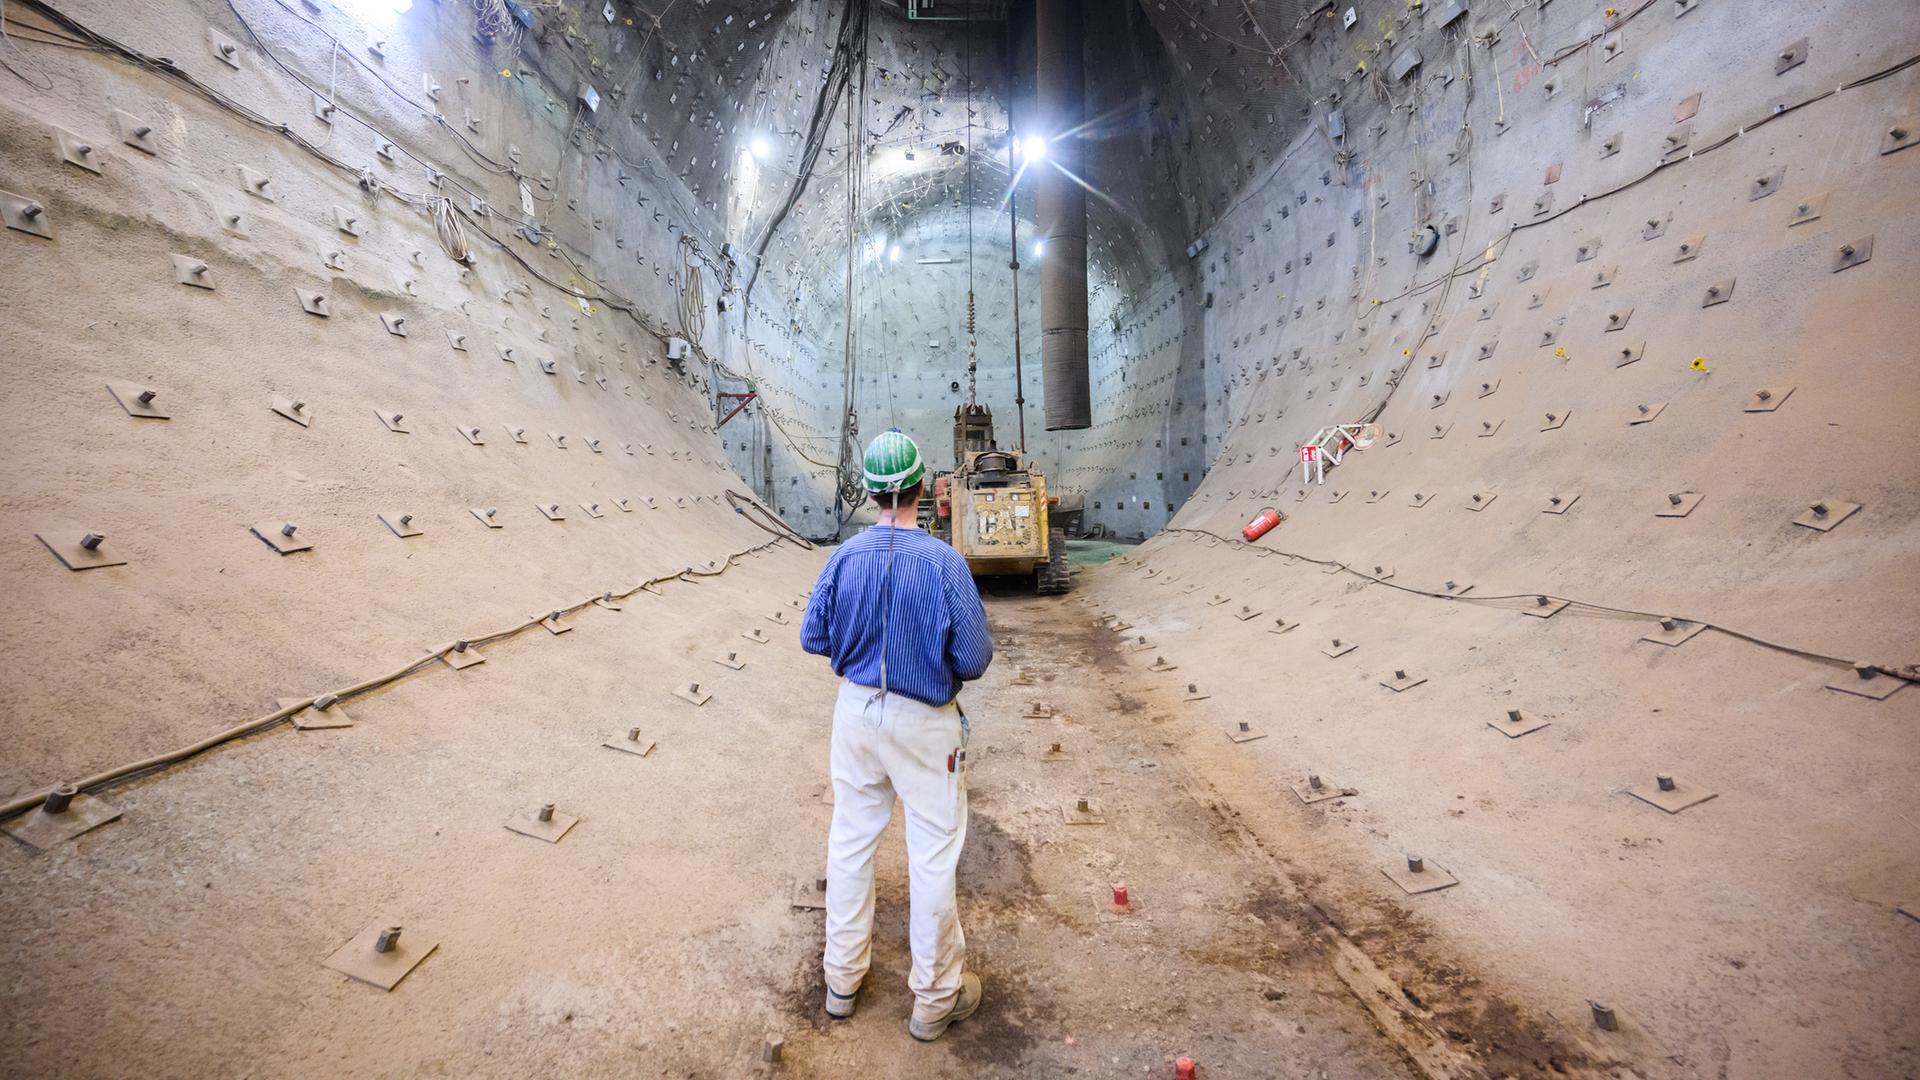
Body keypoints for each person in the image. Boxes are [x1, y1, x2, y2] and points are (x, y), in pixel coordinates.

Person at [800, 429, 994, 1041]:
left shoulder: (843, 557)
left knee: (851, 841)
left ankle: (841, 981)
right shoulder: (944, 563)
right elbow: (975, 656)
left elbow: (812, 637)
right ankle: (935, 1000)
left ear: (872, 492)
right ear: (918, 487)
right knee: (933, 853)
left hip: (856, 713)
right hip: (924, 719)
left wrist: (858, 651)